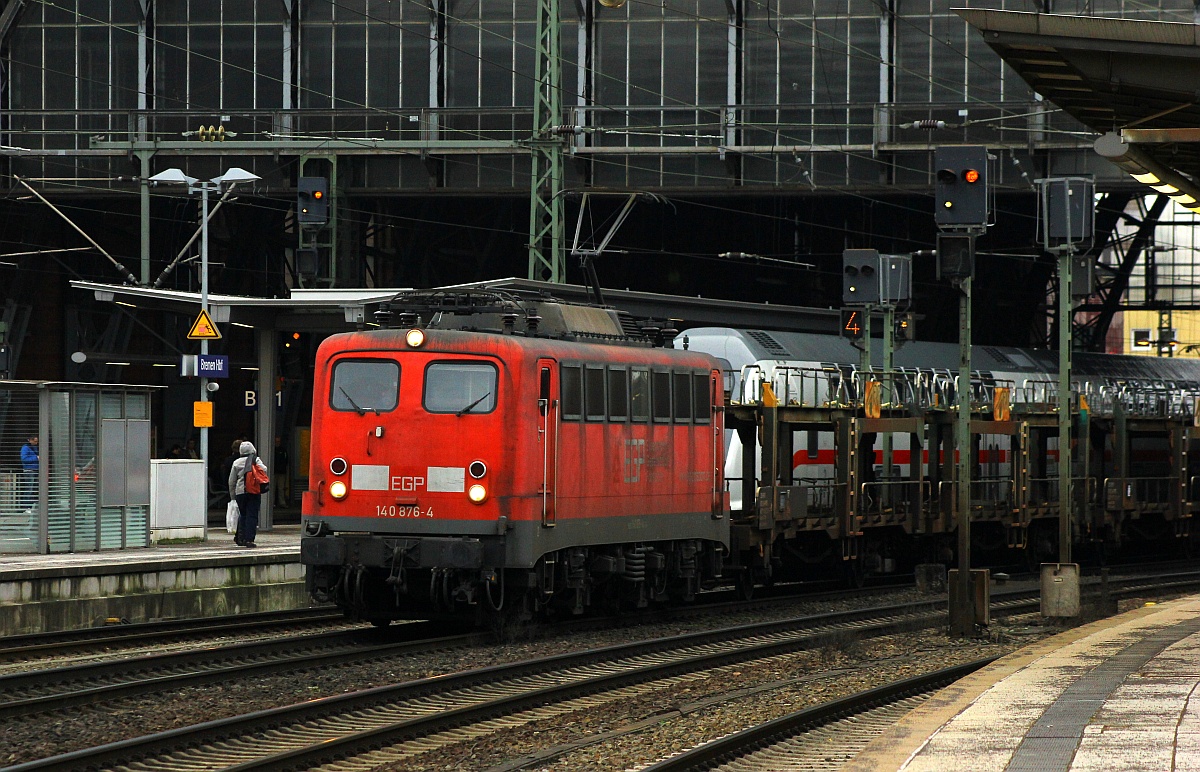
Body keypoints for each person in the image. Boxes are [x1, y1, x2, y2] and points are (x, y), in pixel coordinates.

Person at [229, 440, 268, 547]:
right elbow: (264, 469)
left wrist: (233, 496)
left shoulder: (236, 463)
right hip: (253, 491)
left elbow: (231, 481)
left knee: (243, 515)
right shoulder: (256, 460)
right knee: (252, 515)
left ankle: (240, 538)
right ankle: (249, 539)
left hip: (240, 492)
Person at [20, 434, 37, 512]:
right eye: (34, 441)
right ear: (30, 440)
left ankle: (31, 505)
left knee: (33, 489)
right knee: (29, 489)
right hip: (29, 470)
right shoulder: (25, 448)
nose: (36, 442)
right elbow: (24, 459)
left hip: (35, 470)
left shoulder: (34, 447)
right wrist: (36, 458)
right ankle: (26, 507)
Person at [273, 435, 290, 508]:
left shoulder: (283, 450)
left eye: (278, 441)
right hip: (274, 472)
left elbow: (286, 461)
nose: (277, 443)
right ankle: (273, 502)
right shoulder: (274, 450)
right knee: (273, 488)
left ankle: (281, 502)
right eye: (276, 441)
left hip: (281, 472)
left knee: (281, 488)